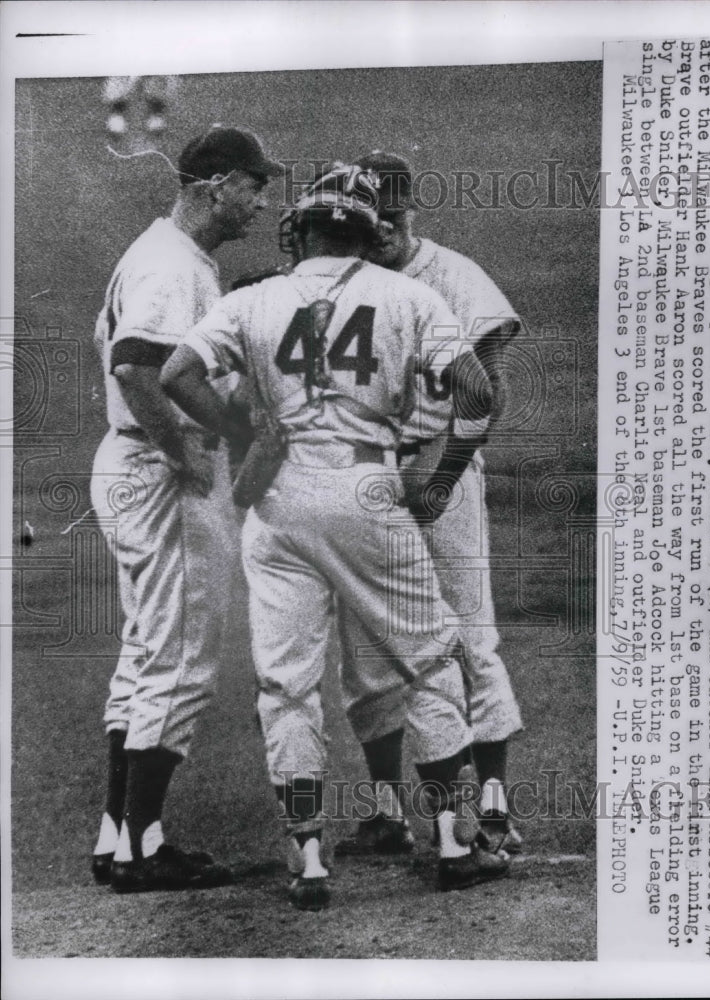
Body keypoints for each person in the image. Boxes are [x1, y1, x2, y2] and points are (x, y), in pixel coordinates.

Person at [160, 163, 508, 910]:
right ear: (361, 229)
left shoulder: (254, 299)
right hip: (370, 490)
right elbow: (481, 389)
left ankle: (308, 858)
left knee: (286, 685)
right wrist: (443, 475)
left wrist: (245, 428)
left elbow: (178, 372)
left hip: (279, 504)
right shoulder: (408, 294)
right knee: (427, 662)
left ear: (303, 230)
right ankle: (453, 840)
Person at [90, 125, 283, 893]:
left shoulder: (166, 254)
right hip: (156, 464)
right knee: (181, 658)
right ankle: (145, 850)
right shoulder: (170, 262)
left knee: (146, 654)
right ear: (212, 184)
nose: (261, 202)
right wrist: (180, 452)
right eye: (252, 185)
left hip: (128, 459)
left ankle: (119, 838)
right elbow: (138, 365)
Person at [336, 151, 524, 858]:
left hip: (443, 466)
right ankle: (385, 811)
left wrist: (441, 474)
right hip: (370, 478)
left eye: (394, 213)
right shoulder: (347, 284)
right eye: (370, 215)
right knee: (367, 648)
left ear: (412, 209)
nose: (383, 228)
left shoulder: (455, 276)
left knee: (469, 633)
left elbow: (487, 392)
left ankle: (496, 804)